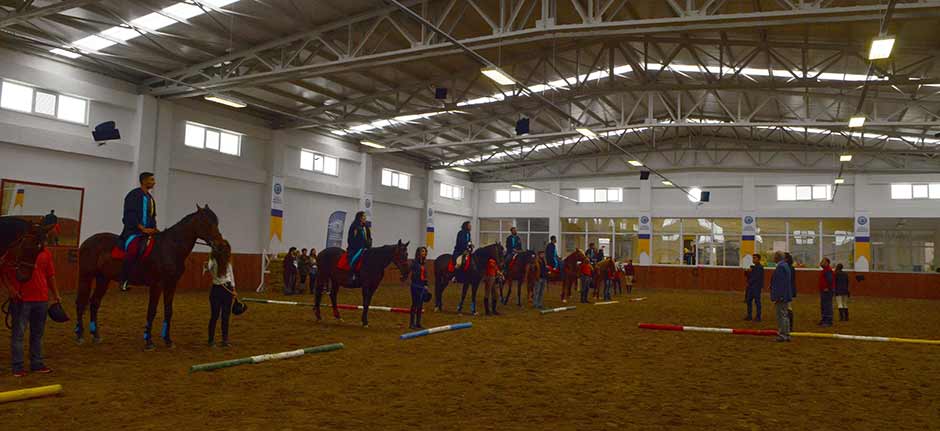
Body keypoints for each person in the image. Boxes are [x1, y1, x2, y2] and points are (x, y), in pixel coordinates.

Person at [3, 242, 61, 376]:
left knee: (37, 334)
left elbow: (50, 275)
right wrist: (10, 289)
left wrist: (56, 293)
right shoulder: (14, 251)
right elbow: (3, 271)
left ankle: (37, 363)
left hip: (41, 298)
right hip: (21, 299)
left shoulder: (45, 252)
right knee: (19, 335)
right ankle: (18, 367)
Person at [119, 172, 159, 292]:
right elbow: (129, 214)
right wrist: (141, 228)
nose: (154, 182)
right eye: (151, 180)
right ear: (144, 181)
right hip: (133, 231)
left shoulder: (150, 199)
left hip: (148, 232)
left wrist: (154, 228)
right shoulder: (133, 195)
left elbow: (152, 216)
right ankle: (124, 280)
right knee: (133, 249)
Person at [204, 240, 235, 347]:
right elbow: (208, 267)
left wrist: (234, 289)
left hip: (227, 289)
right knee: (215, 315)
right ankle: (211, 340)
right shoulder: (213, 260)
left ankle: (225, 340)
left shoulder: (228, 261)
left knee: (225, 316)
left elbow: (231, 275)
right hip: (217, 289)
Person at [770, 251, 792, 342]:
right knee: (785, 315)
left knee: (781, 315)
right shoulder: (786, 266)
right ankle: (786, 334)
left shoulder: (780, 267)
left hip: (781, 295)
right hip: (786, 294)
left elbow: (780, 283)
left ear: (777, 257)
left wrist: (779, 296)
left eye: (774, 256)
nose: (773, 258)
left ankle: (782, 335)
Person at [347, 211, 372, 284]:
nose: (365, 218)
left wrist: (369, 244)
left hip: (365, 248)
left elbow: (368, 238)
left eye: (365, 216)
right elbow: (351, 239)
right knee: (354, 259)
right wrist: (358, 248)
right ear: (359, 217)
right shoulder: (354, 227)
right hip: (355, 249)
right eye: (363, 216)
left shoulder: (366, 227)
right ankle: (351, 275)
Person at [409, 247, 429, 329]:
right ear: (419, 253)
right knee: (415, 304)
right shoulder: (414, 263)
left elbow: (425, 276)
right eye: (423, 251)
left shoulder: (423, 263)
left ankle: (418, 323)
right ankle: (411, 323)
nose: (424, 253)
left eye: (425, 251)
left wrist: (426, 284)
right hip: (415, 285)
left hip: (422, 286)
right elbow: (413, 274)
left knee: (420, 305)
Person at [744, 253, 764, 321]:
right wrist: (747, 272)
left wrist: (749, 282)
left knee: (757, 302)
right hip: (752, 287)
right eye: (753, 258)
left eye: (755, 258)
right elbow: (749, 276)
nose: (753, 259)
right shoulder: (754, 267)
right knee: (749, 301)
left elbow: (755, 277)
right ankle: (750, 316)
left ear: (758, 259)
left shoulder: (759, 267)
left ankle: (758, 316)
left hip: (756, 287)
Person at [818, 257, 835, 327]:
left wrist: (827, 288)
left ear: (827, 263)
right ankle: (824, 319)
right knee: (824, 306)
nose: (821, 263)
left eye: (823, 261)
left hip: (827, 291)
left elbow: (830, 280)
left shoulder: (828, 270)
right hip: (824, 290)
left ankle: (828, 321)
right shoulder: (825, 270)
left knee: (827, 306)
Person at [784, 252, 797, 331]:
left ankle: (789, 326)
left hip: (787, 290)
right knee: (788, 307)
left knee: (787, 308)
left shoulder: (787, 267)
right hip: (789, 289)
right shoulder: (790, 267)